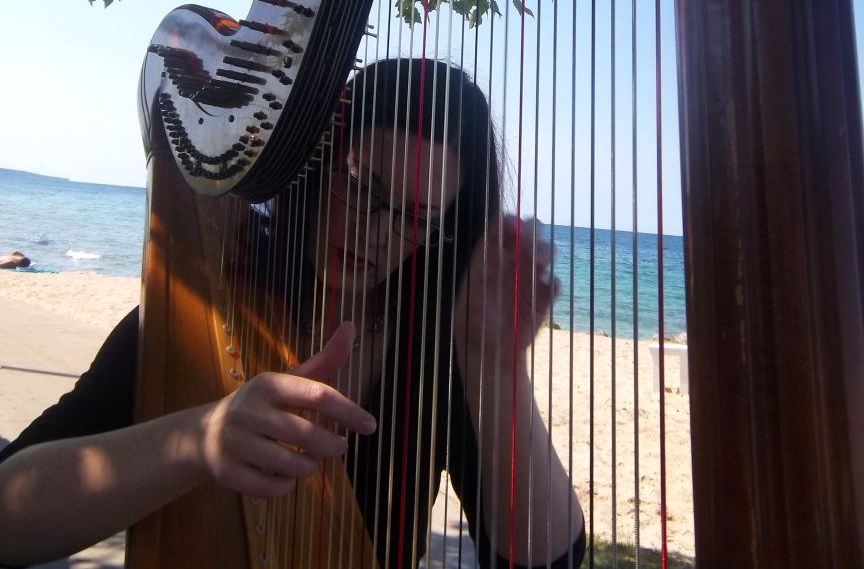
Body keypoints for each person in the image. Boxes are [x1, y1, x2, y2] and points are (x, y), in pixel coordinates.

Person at [0, 57, 585, 568]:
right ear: (312, 162)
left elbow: (545, 557)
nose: (376, 231)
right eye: (361, 185)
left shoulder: (436, 347)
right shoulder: (208, 302)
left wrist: (496, 366)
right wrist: (198, 439)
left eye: (415, 217)